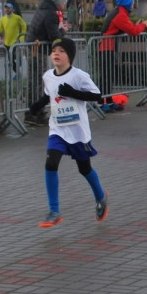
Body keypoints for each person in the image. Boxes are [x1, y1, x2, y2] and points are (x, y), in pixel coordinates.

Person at [27, 37, 108, 228]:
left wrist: (73, 92)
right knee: (51, 162)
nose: (56, 53)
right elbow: (50, 93)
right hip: (57, 129)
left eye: (62, 51)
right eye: (54, 50)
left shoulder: (78, 76)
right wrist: (38, 104)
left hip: (77, 131)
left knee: (84, 168)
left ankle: (101, 197)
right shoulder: (48, 75)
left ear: (70, 56)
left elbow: (97, 96)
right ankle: (54, 211)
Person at [26, 0, 69, 123]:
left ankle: (33, 111)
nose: (64, 5)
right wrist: (63, 31)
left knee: (35, 81)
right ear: (58, 2)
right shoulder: (51, 14)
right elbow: (54, 36)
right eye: (63, 2)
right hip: (38, 50)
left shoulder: (42, 9)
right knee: (39, 81)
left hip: (33, 48)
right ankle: (35, 113)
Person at [98, 0, 147, 98]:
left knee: (107, 75)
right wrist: (143, 25)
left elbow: (128, 28)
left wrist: (136, 26)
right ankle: (103, 101)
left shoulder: (119, 12)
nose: (133, 3)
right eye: (132, 1)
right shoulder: (120, 15)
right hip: (107, 47)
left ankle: (105, 99)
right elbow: (133, 31)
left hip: (106, 46)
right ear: (128, 2)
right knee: (107, 76)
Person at [0, 1, 28, 75]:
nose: (7, 9)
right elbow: (0, 29)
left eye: (9, 8)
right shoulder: (3, 19)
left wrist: (21, 37)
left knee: (15, 56)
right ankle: (18, 73)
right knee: (10, 60)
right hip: (7, 42)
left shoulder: (17, 18)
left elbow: (24, 25)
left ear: (12, 9)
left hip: (15, 42)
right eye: (6, 8)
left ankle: (19, 60)